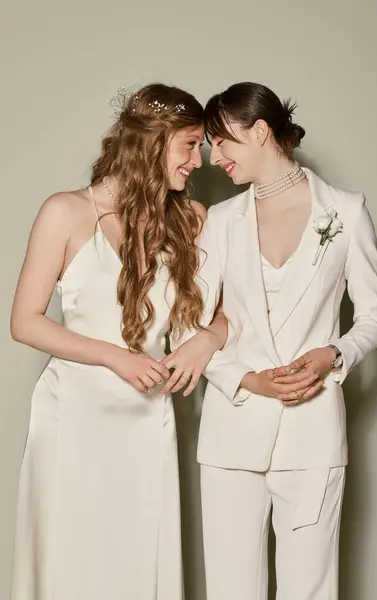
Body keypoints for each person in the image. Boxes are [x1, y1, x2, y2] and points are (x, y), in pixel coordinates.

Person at [164, 82, 377, 600]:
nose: (211, 155)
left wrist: (334, 353)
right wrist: (244, 379)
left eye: (223, 142)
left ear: (261, 131)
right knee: (230, 591)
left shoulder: (347, 212)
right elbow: (187, 322)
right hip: (231, 434)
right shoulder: (221, 222)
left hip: (312, 433)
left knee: (310, 590)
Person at [9, 83, 226, 600]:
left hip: (146, 419)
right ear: (153, 144)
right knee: (67, 562)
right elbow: (25, 321)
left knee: (136, 565)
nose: (200, 160)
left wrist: (207, 340)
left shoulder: (192, 220)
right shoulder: (65, 211)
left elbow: (226, 314)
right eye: (189, 145)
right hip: (72, 420)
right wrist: (113, 356)